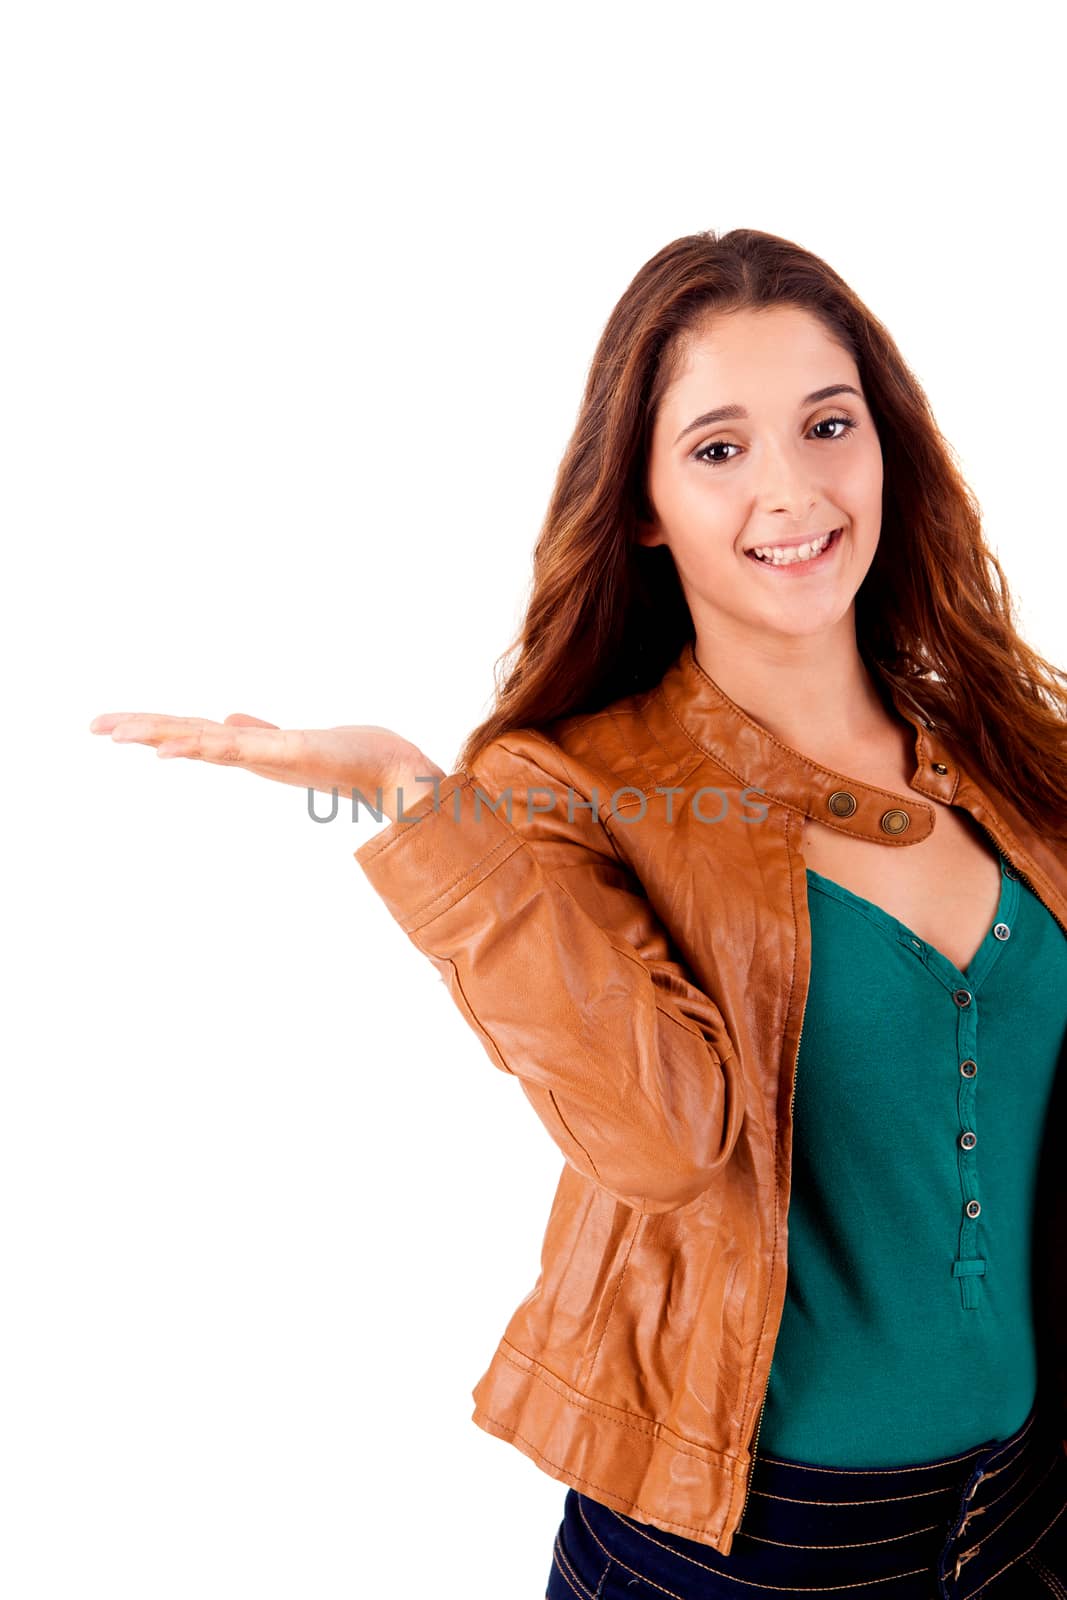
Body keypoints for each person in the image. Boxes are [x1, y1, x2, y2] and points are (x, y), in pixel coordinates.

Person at [90, 228, 1067, 1597]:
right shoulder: (572, 788)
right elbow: (664, 1143)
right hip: (742, 1546)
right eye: (720, 448)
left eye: (827, 425)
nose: (792, 488)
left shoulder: (1016, 757)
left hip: (1018, 1520)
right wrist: (414, 795)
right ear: (647, 503)